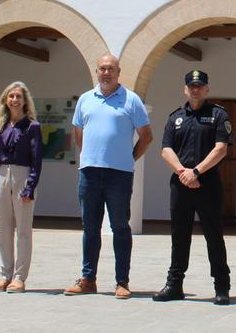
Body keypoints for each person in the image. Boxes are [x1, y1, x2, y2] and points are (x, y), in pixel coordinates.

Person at [64, 54, 153, 299]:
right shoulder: (85, 100)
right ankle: (88, 279)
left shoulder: (131, 100)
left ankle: (122, 282)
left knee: (120, 228)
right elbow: (79, 134)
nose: (106, 72)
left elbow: (146, 136)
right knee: (89, 228)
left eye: (110, 69)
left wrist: (128, 157)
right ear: (97, 71)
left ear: (118, 72)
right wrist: (93, 156)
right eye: (102, 68)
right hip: (90, 173)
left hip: (119, 175)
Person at [153, 70, 232, 305]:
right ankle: (174, 285)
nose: (195, 89)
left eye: (200, 85)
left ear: (207, 89)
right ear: (185, 90)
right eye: (191, 86)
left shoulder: (218, 115)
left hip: (207, 184)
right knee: (179, 236)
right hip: (181, 184)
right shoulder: (175, 117)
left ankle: (222, 287)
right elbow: (165, 149)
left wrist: (196, 171)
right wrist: (183, 172)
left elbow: (221, 148)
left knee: (213, 236)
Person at [0, 81, 44, 293]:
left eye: (18, 96)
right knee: (4, 229)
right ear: (5, 100)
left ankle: (19, 276)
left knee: (23, 230)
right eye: (11, 96)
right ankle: (5, 274)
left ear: (25, 101)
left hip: (22, 175)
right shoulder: (0, 126)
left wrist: (30, 186)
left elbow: (37, 159)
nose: (15, 100)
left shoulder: (32, 127)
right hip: (1, 175)